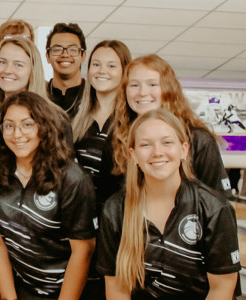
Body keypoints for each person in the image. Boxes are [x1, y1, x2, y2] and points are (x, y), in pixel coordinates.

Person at [97, 109, 240, 299]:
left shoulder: (214, 208)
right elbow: (117, 288)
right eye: (146, 145)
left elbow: (222, 287)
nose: (157, 152)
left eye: (167, 142)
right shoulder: (115, 210)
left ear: (184, 150)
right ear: (134, 155)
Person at [0, 91, 96, 299]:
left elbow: (83, 251)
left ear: (44, 127)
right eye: (9, 125)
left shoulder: (72, 178)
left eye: (27, 124)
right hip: (24, 288)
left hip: (71, 291)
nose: (17, 134)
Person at [112, 54, 234, 200]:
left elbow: (221, 202)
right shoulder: (119, 139)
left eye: (152, 84)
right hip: (134, 221)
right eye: (134, 85)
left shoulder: (198, 139)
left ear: (168, 89)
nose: (142, 92)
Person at [73, 40, 132, 205]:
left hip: (117, 219)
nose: (102, 71)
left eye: (112, 66)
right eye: (96, 64)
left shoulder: (133, 122)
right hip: (81, 218)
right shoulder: (76, 121)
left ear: (125, 72)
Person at [45, 23, 87, 117]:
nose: (65, 54)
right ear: (47, 56)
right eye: (57, 49)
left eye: (72, 49)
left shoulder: (94, 96)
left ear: (83, 56)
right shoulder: (39, 95)